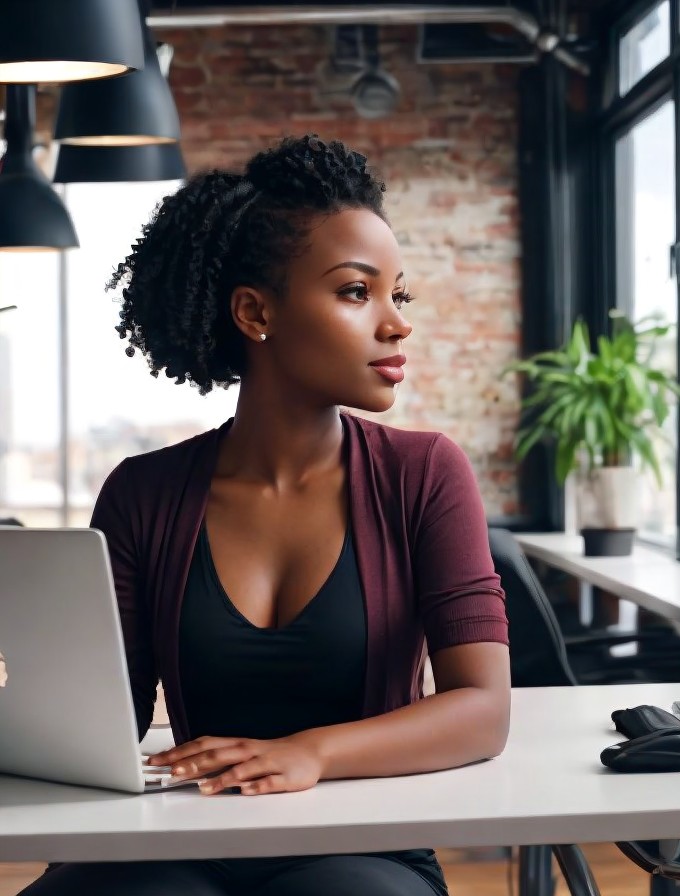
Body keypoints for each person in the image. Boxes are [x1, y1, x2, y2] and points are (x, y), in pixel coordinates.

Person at [20, 135, 510, 896]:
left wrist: (311, 752)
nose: (396, 323)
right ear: (255, 312)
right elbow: (100, 727)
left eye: (397, 294)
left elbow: (482, 711)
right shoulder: (142, 495)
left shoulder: (423, 475)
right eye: (357, 292)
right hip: (180, 837)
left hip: (362, 846)